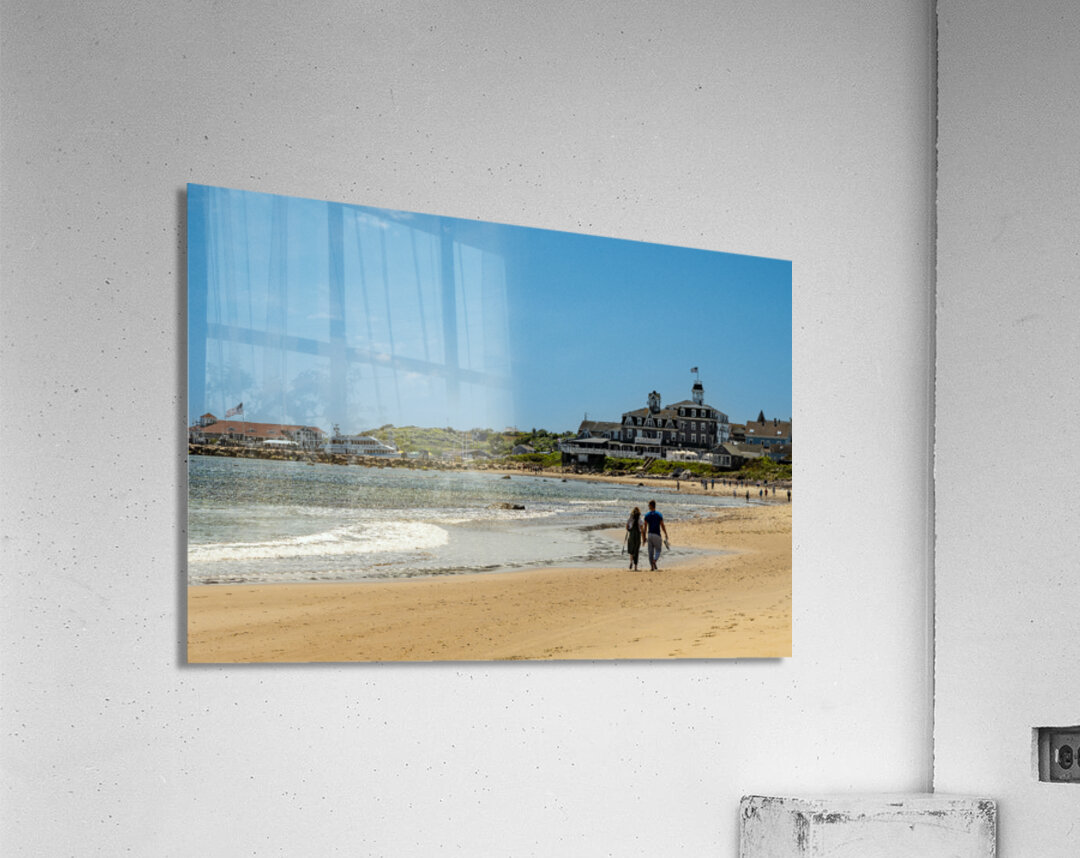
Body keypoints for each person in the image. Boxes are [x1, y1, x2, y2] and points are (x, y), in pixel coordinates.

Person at [643, 499, 668, 571]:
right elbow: (662, 525)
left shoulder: (647, 515)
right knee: (658, 550)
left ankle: (652, 567)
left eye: (648, 505)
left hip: (650, 534)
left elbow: (645, 527)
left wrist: (644, 537)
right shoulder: (659, 514)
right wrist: (665, 533)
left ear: (650, 506)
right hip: (657, 534)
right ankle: (655, 561)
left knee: (650, 552)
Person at [625, 506, 643, 570]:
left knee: (631, 549)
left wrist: (629, 530)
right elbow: (641, 528)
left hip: (632, 535)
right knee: (636, 550)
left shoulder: (630, 518)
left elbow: (627, 526)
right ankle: (635, 567)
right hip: (638, 535)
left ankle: (631, 561)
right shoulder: (639, 519)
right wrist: (643, 536)